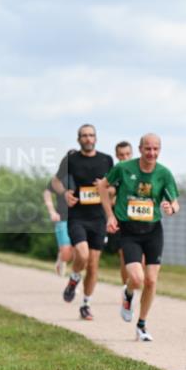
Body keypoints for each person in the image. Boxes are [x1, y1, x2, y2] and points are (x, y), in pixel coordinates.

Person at [98, 133, 179, 342]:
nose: (152, 153)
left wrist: (171, 208)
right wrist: (109, 216)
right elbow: (101, 186)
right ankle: (128, 294)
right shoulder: (125, 169)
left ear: (160, 150)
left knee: (151, 281)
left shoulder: (164, 174)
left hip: (153, 231)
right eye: (148, 149)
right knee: (137, 278)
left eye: (156, 149)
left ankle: (141, 325)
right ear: (140, 149)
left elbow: (175, 202)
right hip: (129, 231)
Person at [51, 125, 115, 320]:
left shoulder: (106, 160)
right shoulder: (71, 159)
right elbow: (55, 182)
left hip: (98, 218)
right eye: (84, 136)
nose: (88, 139)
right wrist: (64, 193)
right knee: (83, 254)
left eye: (91, 135)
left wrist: (104, 188)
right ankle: (75, 277)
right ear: (79, 139)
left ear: (96, 138)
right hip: (77, 216)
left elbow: (114, 188)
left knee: (94, 265)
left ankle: (86, 304)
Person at [103, 140, 134, 287]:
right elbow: (108, 191)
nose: (124, 157)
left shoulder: (140, 170)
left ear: (132, 154)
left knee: (142, 259)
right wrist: (109, 193)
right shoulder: (114, 173)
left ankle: (134, 284)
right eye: (121, 155)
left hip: (139, 219)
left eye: (127, 154)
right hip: (120, 220)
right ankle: (126, 289)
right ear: (116, 156)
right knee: (124, 255)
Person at [42, 163, 74, 276]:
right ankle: (61, 259)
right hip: (63, 217)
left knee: (78, 250)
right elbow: (47, 193)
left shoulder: (84, 176)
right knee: (66, 252)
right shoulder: (59, 178)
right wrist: (52, 211)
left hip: (80, 219)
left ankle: (73, 281)